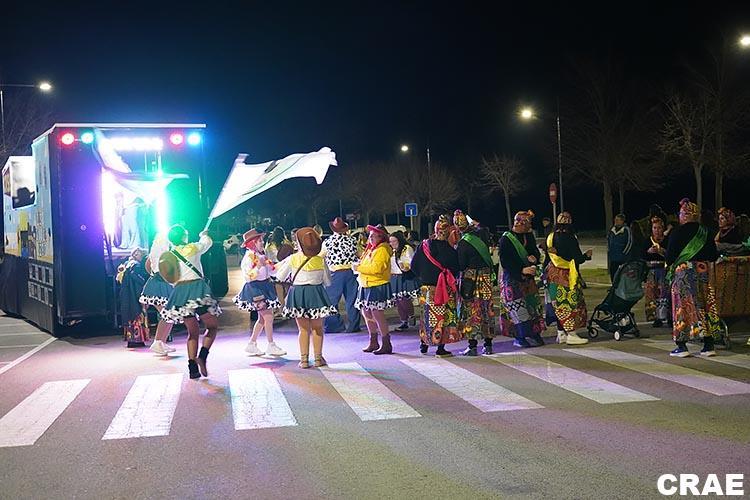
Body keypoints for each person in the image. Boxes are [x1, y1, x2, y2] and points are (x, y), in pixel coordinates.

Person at [160, 225, 222, 379]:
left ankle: (192, 369)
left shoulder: (169, 255)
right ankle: (202, 356)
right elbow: (207, 243)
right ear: (183, 237)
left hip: (180, 294)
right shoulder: (192, 248)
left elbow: (167, 276)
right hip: (197, 290)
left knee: (192, 333)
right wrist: (204, 234)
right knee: (212, 327)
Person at [665, 198, 721, 358]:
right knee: (704, 307)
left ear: (685, 215)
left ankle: (682, 345)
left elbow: (669, 258)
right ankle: (708, 345)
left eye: (681, 213)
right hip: (702, 273)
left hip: (683, 275)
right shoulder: (706, 232)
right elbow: (713, 255)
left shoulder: (677, 232)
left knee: (682, 308)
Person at [275, 227, 336, 368]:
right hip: (316, 294)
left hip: (298, 294)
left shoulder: (292, 259)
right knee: (318, 328)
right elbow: (328, 282)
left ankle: (304, 360)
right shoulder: (320, 260)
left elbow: (280, 277)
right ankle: (318, 359)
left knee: (303, 329)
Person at [410, 215, 462, 356]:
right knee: (443, 318)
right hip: (444, 288)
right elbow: (456, 268)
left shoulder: (423, 246)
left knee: (426, 317)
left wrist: (423, 276)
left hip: (426, 288)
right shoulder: (450, 250)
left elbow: (413, 266)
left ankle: (424, 344)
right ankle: (440, 348)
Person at [234, 229, 286, 357]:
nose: (262, 242)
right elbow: (248, 276)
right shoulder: (249, 257)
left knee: (262, 319)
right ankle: (271, 345)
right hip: (255, 288)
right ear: (252, 243)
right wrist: (258, 266)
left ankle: (252, 344)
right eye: (260, 241)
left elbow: (272, 270)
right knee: (268, 317)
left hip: (264, 286)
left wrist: (286, 263)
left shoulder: (261, 255)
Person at [498, 211, 546, 348]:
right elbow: (505, 261)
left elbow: (534, 251)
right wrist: (521, 270)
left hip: (528, 280)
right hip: (512, 279)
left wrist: (534, 258)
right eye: (528, 223)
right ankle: (519, 336)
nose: (530, 226)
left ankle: (534, 333)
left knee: (532, 307)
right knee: (517, 309)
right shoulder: (506, 239)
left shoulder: (528, 236)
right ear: (520, 223)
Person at [453, 210, 496, 356]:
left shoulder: (463, 243)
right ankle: (488, 345)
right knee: (487, 310)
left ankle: (472, 346)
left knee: (471, 311)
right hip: (486, 278)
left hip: (470, 281)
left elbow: (461, 265)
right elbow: (483, 228)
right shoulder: (482, 235)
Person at [545, 212, 592, 345]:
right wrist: (586, 256)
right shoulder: (570, 237)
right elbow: (577, 258)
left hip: (553, 274)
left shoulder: (551, 237)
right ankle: (571, 334)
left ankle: (561, 333)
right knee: (570, 304)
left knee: (558, 304)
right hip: (567, 276)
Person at [354, 224, 394, 355]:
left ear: (381, 237)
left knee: (377, 314)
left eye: (374, 236)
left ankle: (386, 343)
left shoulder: (382, 250)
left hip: (376, 284)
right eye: (370, 236)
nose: (370, 238)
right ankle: (373, 341)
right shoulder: (372, 249)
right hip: (366, 284)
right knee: (366, 313)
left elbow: (377, 269)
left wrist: (358, 268)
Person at [321, 217, 362, 333]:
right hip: (351, 273)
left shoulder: (327, 242)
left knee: (331, 301)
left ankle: (335, 325)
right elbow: (360, 254)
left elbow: (321, 256)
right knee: (352, 300)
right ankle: (353, 325)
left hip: (335, 274)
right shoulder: (353, 240)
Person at [140, 233, 175, 356]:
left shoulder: (156, 252)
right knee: (167, 314)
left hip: (160, 283)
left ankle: (161, 342)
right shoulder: (164, 251)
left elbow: (147, 265)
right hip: (159, 285)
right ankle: (158, 342)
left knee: (169, 315)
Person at [118, 247, 150, 348]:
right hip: (134, 296)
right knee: (137, 315)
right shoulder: (136, 266)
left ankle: (131, 340)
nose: (138, 256)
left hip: (127, 296)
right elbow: (139, 284)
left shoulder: (127, 266)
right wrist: (142, 297)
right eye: (136, 254)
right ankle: (138, 340)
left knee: (130, 316)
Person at [644, 217, 670, 328]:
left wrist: (662, 251)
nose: (657, 230)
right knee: (652, 294)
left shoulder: (667, 240)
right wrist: (648, 252)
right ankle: (655, 317)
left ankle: (667, 316)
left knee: (664, 293)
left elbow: (672, 254)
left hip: (664, 270)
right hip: (651, 271)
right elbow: (641, 255)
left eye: (659, 228)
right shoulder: (647, 241)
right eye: (655, 228)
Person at [388, 231, 417, 330]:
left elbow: (411, 262)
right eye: (390, 241)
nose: (392, 243)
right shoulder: (392, 251)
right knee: (398, 301)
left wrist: (405, 266)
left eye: (394, 241)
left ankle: (411, 316)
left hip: (404, 277)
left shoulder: (406, 248)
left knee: (404, 299)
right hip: (394, 277)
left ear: (399, 240)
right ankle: (404, 321)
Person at [607, 213, 633, 283]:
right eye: (615, 220)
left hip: (622, 258)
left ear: (622, 221)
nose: (615, 221)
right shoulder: (612, 230)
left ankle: (621, 287)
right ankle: (614, 286)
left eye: (617, 220)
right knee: (613, 272)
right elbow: (608, 240)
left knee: (622, 274)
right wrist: (609, 251)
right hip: (613, 257)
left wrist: (624, 253)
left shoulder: (626, 230)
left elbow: (629, 242)